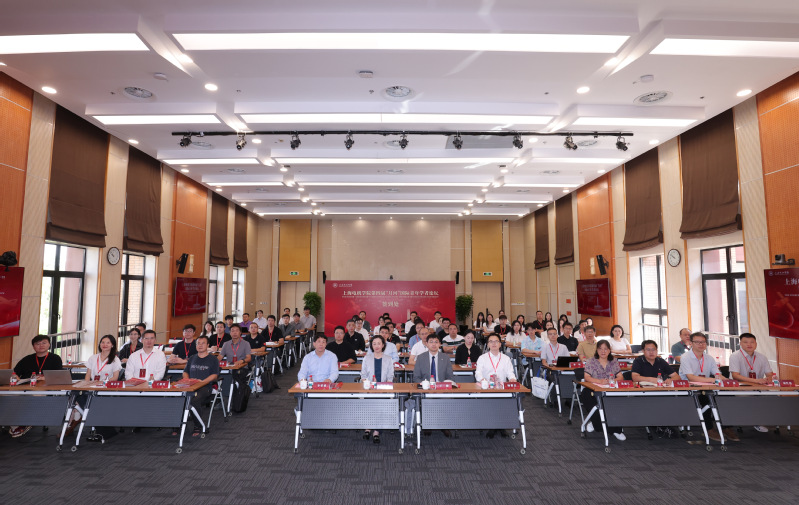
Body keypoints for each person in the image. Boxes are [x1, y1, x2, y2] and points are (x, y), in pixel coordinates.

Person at [679, 332, 735, 442]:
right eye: (697, 342)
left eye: (703, 342)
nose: (701, 344)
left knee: (727, 395)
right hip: (689, 389)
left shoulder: (709, 358)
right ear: (691, 343)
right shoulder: (685, 357)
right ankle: (709, 429)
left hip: (706, 387)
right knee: (706, 398)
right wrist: (712, 380)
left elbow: (717, 374)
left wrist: (728, 381)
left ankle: (726, 427)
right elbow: (691, 377)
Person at [9, 335, 64, 438]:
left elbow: (58, 375)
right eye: (37, 344)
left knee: (35, 396)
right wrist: (15, 377)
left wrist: (44, 378)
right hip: (25, 386)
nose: (41, 345)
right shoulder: (27, 359)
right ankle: (15, 424)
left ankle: (26, 422)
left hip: (44, 388)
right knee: (10, 395)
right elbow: (15, 373)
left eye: (44, 343)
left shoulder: (55, 358)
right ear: (33, 346)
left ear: (49, 344)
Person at [729, 333, 775, 433]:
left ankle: (766, 420)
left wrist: (770, 378)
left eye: (752, 342)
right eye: (745, 342)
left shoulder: (762, 357)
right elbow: (735, 376)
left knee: (773, 397)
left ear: (756, 344)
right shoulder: (735, 356)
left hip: (759, 387)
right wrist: (756, 381)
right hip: (740, 388)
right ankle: (755, 421)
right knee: (748, 398)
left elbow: (769, 374)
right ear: (740, 343)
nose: (749, 344)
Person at [581, 340, 626, 439]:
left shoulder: (613, 361)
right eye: (600, 349)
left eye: (606, 349)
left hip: (610, 389)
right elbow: (587, 377)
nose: (603, 351)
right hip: (592, 389)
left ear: (609, 350)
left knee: (618, 402)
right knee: (590, 399)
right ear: (597, 350)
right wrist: (599, 381)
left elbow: (620, 377)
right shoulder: (591, 361)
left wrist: (611, 381)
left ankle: (616, 429)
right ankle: (599, 425)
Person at [475, 334, 517, 439]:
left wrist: (512, 379)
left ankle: (501, 426)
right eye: (491, 341)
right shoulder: (482, 358)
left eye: (496, 341)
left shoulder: (506, 358)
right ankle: (492, 426)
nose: (494, 343)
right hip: (487, 387)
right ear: (488, 344)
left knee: (503, 403)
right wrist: (482, 380)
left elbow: (510, 372)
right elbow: (478, 373)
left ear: (500, 344)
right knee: (491, 403)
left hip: (501, 388)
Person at [360, 335, 395, 444]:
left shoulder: (388, 359)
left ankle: (376, 431)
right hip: (369, 389)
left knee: (380, 407)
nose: (376, 346)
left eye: (379, 343)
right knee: (369, 407)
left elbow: (390, 376)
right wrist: (367, 383)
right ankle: (368, 428)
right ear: (371, 346)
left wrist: (385, 387)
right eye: (374, 344)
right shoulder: (367, 358)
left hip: (383, 389)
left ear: (383, 345)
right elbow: (363, 375)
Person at [183, 335, 220, 436]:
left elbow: (214, 375)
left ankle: (198, 425)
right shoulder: (192, 358)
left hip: (204, 387)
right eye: (198, 343)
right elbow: (185, 372)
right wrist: (187, 380)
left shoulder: (213, 359)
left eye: (203, 343)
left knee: (193, 400)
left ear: (208, 345)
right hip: (190, 386)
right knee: (177, 398)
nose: (200, 345)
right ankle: (177, 426)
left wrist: (202, 382)